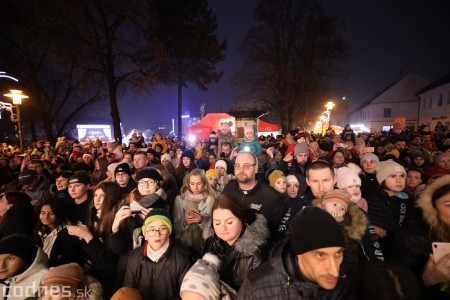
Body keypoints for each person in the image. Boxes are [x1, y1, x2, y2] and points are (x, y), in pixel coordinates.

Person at [237, 207, 348, 299]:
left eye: (338, 253)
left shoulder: (348, 282)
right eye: (320, 255)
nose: (334, 271)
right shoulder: (257, 287)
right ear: (298, 253)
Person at [67, 181, 122, 298]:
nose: (97, 199)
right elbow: (91, 249)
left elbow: (108, 258)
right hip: (95, 269)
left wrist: (87, 236)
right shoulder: (94, 215)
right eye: (96, 195)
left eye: (102, 196)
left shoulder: (118, 221)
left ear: (111, 198)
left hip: (111, 277)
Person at [203, 194, 270, 291]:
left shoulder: (256, 252)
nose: (223, 228)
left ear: (241, 221)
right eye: (217, 223)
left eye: (229, 222)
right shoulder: (210, 242)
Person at [123, 209, 191, 300]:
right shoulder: (134, 257)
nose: (157, 234)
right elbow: (129, 292)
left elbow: (184, 294)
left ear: (169, 232)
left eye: (162, 229)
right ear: (145, 235)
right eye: (151, 230)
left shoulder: (181, 258)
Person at [222, 151, 287, 239]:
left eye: (247, 166)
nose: (241, 170)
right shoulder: (228, 190)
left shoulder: (272, 198)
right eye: (237, 166)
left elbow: (276, 237)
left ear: (255, 168)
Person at [31, 198, 86, 267]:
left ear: (59, 214)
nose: (46, 216)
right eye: (43, 213)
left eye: (51, 213)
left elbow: (66, 259)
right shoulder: (41, 228)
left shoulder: (69, 232)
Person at [174, 169, 215, 256]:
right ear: (188, 183)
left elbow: (213, 223)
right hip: (184, 242)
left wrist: (201, 220)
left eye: (199, 183)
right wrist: (185, 222)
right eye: (192, 184)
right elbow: (176, 223)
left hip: (203, 243)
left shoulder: (210, 199)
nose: (195, 187)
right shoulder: (180, 199)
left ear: (204, 183)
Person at [0, 234, 49, 299]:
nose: (1, 265)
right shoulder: (5, 280)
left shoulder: (45, 279)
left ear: (26, 258)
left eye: (10, 258)